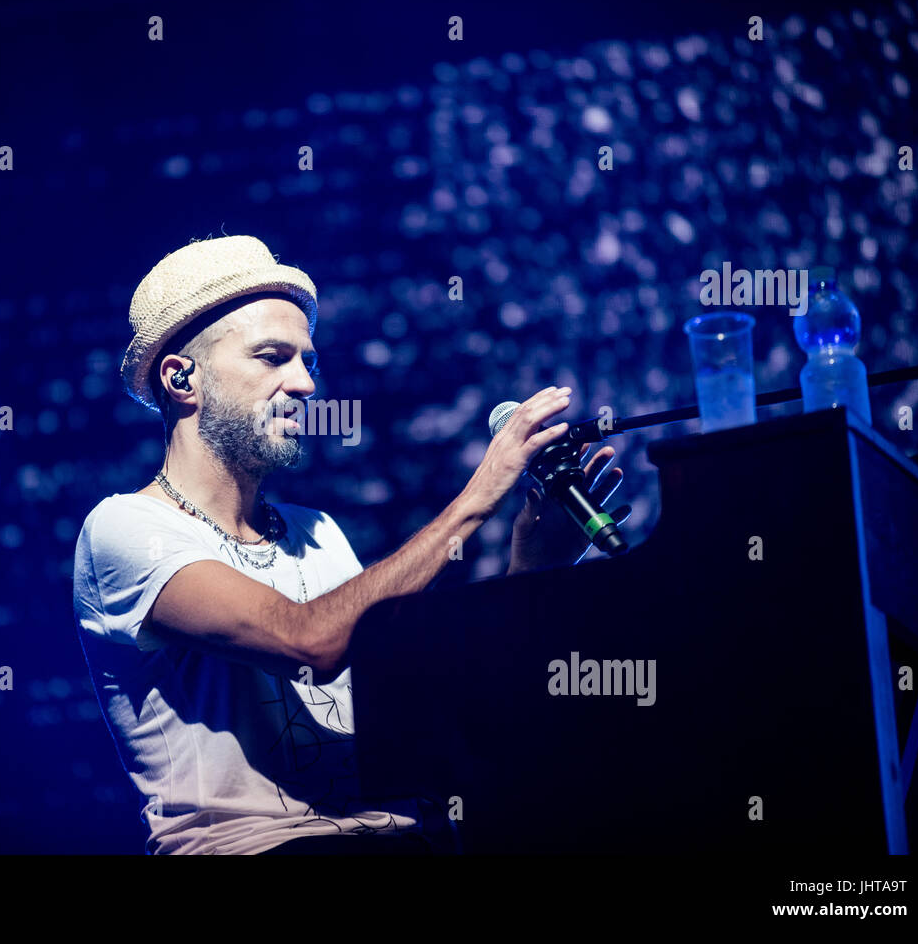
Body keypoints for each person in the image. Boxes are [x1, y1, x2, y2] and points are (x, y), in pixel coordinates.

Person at [72, 235, 627, 855]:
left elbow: (437, 704)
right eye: (271, 357)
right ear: (182, 379)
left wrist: (533, 566)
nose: (304, 385)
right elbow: (309, 641)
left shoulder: (317, 532)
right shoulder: (124, 528)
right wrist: (477, 497)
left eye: (307, 361)